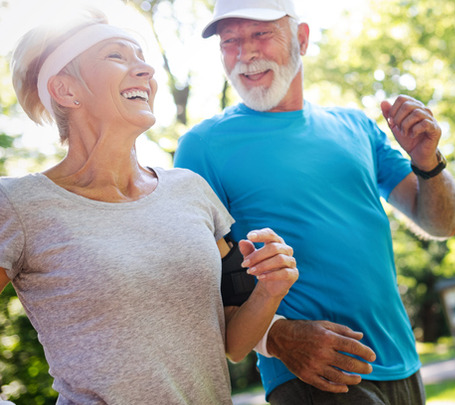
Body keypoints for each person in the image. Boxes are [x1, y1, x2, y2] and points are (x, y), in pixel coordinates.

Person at [0, 7, 298, 404]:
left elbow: (232, 343)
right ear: (66, 90)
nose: (145, 71)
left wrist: (269, 291)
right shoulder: (19, 204)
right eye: (117, 56)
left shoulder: (191, 190)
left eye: (142, 58)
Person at [174, 0, 455, 403]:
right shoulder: (202, 147)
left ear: (302, 39)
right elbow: (202, 293)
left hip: (403, 364)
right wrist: (278, 338)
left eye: (261, 34)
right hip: (311, 375)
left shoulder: (357, 127)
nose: (246, 52)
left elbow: (440, 224)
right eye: (230, 41)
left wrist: (428, 163)